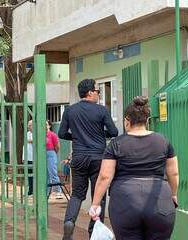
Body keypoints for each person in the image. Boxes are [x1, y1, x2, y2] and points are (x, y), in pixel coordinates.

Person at [89, 96, 179, 240]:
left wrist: (95, 204)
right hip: (160, 201)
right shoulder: (163, 142)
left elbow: (105, 176)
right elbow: (173, 173)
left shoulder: (116, 144)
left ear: (127, 121)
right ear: (147, 120)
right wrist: (173, 194)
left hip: (125, 203)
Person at [58, 78, 118, 239]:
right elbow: (114, 132)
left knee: (77, 194)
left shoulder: (70, 111)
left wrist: (77, 137)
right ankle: (94, 230)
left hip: (78, 157)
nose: (99, 94)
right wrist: (99, 135)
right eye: (97, 91)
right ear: (90, 92)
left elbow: (62, 133)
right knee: (99, 194)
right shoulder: (101, 110)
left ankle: (69, 222)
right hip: (99, 158)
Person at [46, 120, 63, 199]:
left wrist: (53, 153)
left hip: (51, 153)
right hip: (43, 154)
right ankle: (46, 191)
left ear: (49, 126)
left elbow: (57, 146)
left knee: (53, 172)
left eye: (46, 124)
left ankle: (58, 191)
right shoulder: (41, 135)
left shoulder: (52, 135)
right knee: (46, 174)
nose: (44, 126)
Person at [25, 120, 34, 196]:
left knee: (36, 174)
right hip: (28, 157)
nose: (28, 126)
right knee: (29, 175)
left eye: (30, 125)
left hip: (35, 158)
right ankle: (30, 190)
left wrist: (31, 141)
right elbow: (25, 146)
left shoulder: (37, 133)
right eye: (28, 125)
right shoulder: (27, 134)